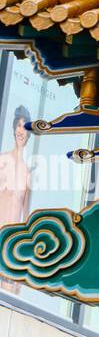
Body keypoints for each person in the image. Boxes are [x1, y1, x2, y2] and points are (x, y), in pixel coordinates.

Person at [0, 107, 33, 294]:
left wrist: (22, 266)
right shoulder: (2, 161)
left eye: (25, 127)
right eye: (19, 125)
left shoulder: (27, 174)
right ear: (14, 128)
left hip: (11, 249)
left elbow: (26, 218)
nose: (21, 130)